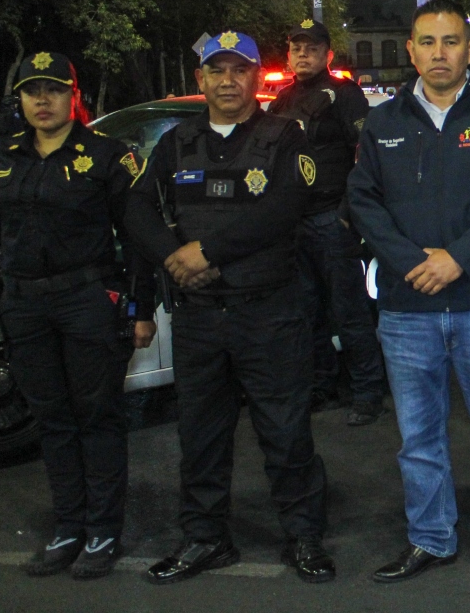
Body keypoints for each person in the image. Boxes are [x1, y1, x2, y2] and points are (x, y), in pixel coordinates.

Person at [346, 0, 470, 592]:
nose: (440, 53)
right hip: (408, 311)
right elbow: (363, 204)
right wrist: (414, 263)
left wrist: (458, 259)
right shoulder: (382, 125)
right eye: (428, 42)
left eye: (452, 41)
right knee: (419, 439)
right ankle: (430, 538)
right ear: (410, 50)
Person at [125, 31, 333, 585]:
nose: (226, 80)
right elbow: (138, 207)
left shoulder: (284, 134)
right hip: (198, 316)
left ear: (253, 77)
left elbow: (289, 205)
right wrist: (174, 256)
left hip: (269, 313)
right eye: (215, 70)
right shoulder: (175, 144)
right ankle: (205, 538)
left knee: (286, 432)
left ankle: (304, 535)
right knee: (200, 436)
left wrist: (208, 251)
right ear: (200, 79)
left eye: (238, 70)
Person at [0, 52, 157, 580]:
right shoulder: (6, 155)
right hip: (23, 304)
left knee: (97, 415)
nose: (42, 100)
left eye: (53, 89)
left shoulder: (110, 156)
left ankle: (103, 531)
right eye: (31, 91)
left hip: (87, 301)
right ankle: (69, 526)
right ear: (18, 99)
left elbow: (137, 239)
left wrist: (139, 308)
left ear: (74, 95)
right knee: (52, 419)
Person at [269, 18, 387, 426]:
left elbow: (367, 158)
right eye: (297, 48)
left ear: (327, 54)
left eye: (312, 48)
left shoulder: (344, 95)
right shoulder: (281, 101)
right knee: (307, 313)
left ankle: (368, 391)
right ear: (288, 54)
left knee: (349, 311)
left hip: (331, 219)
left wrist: (345, 215)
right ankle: (322, 386)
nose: (303, 54)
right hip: (294, 223)